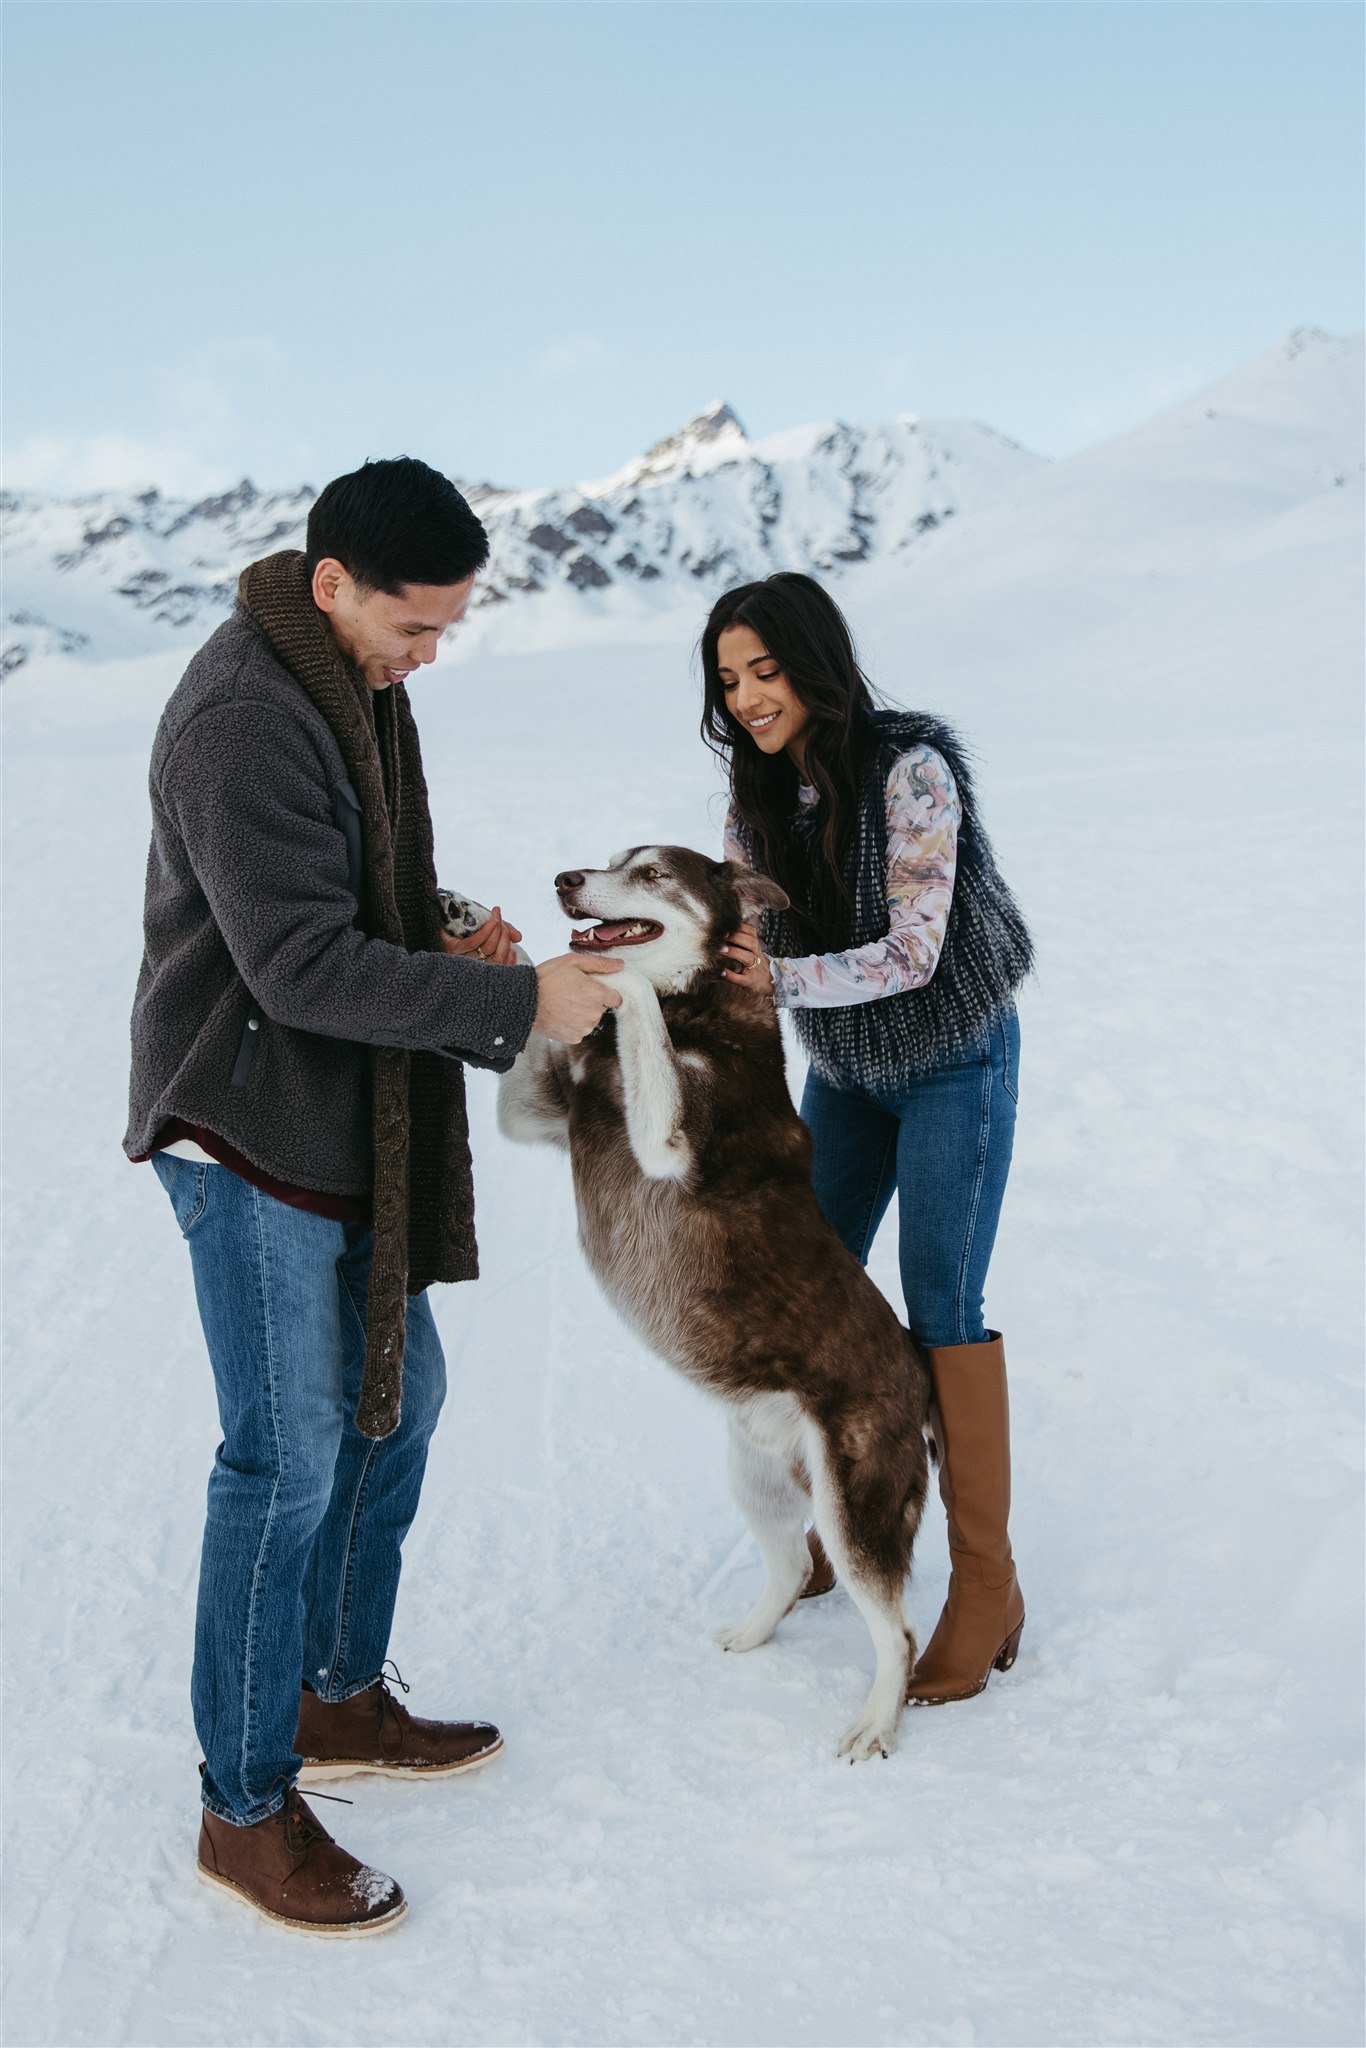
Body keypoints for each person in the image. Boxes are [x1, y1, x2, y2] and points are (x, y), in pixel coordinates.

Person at [124, 457, 623, 1936]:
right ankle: (241, 1805)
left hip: (340, 1115)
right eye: (416, 628)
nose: (428, 657)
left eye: (449, 631)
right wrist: (518, 1002)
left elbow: (352, 894)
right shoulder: (241, 718)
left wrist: (446, 922)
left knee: (396, 1403)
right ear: (332, 582)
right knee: (281, 1461)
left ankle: (336, 1691)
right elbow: (296, 966)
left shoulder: (346, 683)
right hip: (248, 1116)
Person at [700, 572, 1033, 1706]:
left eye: (765, 669)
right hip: (846, 1075)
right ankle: (822, 1529)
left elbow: (914, 953)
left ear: (814, 662)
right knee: (797, 1300)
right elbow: (728, 943)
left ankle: (985, 1581)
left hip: (953, 1065)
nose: (747, 697)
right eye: (728, 679)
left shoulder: (913, 771)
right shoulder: (754, 800)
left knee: (939, 1308)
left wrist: (776, 972)